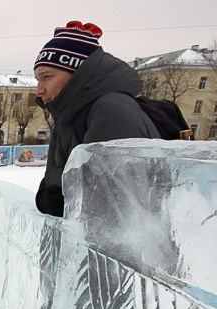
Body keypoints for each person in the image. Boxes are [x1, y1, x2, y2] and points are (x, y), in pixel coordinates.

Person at [34, 21, 160, 217]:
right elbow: (52, 188)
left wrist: (57, 192)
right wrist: (57, 191)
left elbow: (104, 203)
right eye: (37, 80)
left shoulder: (112, 111)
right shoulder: (65, 116)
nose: (39, 90)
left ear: (79, 73)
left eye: (47, 77)